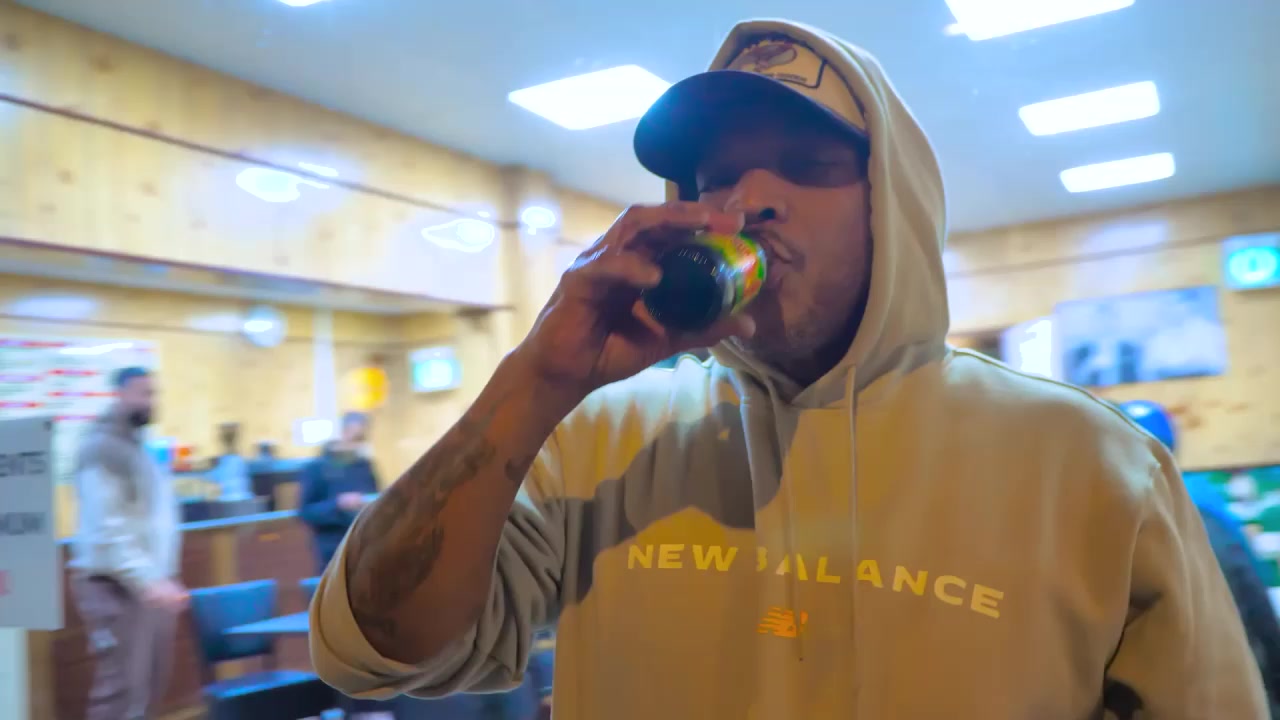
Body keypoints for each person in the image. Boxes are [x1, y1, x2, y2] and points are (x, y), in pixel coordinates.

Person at [309, 18, 1267, 719]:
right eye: (718, 177)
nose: (749, 200)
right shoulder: (596, 436)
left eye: (806, 163)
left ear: (894, 208)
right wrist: (537, 380)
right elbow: (372, 652)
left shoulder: (1091, 461)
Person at [68, 366, 186, 720]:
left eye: (153, 393)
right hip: (116, 585)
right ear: (117, 395)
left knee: (149, 688)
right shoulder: (101, 448)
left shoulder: (137, 447)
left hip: (150, 585)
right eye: (142, 393)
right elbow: (107, 528)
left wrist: (159, 579)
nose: (150, 401)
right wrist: (148, 580)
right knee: (121, 693)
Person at [298, 411, 380, 573]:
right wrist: (338, 504)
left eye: (362, 439)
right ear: (342, 433)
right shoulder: (316, 468)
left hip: (365, 545)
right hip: (332, 547)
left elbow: (375, 498)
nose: (358, 444)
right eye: (356, 438)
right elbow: (305, 512)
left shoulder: (364, 466)